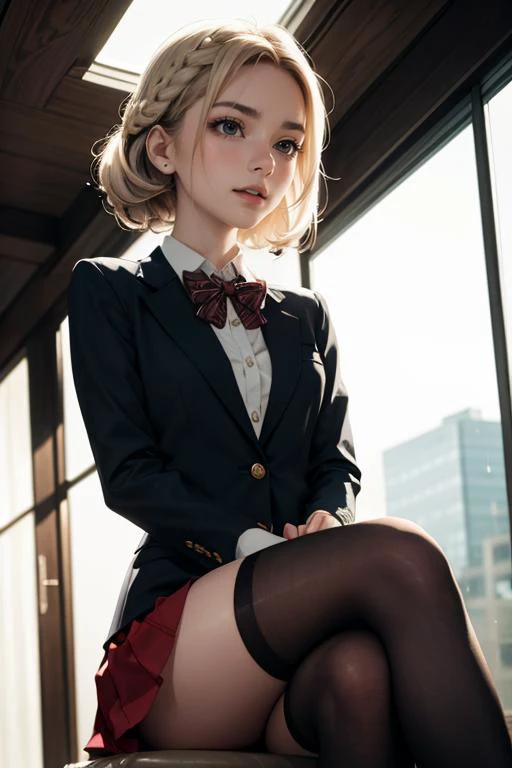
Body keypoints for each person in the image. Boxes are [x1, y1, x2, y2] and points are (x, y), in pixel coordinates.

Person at [67, 20, 512, 768]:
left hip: (296, 650)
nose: (263, 161)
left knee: (359, 676)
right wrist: (251, 544)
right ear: (163, 146)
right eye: (230, 125)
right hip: (184, 633)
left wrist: (325, 516)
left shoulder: (308, 317)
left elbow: (335, 465)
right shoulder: (108, 292)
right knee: (401, 557)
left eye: (285, 142)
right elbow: (130, 474)